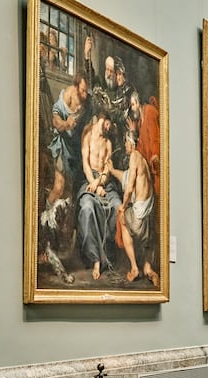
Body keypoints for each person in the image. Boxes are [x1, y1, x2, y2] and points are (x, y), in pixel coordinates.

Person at [109, 129, 158, 287]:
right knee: (147, 240)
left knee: (122, 219)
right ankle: (148, 268)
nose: (125, 145)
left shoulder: (134, 157)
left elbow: (129, 188)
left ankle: (134, 268)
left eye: (126, 142)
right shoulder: (141, 160)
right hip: (148, 214)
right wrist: (111, 171)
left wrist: (123, 207)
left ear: (131, 143)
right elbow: (126, 177)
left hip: (139, 215)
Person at [76, 111, 121, 280]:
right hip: (89, 181)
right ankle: (95, 258)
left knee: (117, 207)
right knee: (87, 208)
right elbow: (85, 163)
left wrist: (100, 182)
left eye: (110, 126)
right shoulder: (87, 133)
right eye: (107, 124)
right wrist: (94, 185)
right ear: (102, 119)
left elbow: (108, 169)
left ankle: (106, 256)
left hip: (105, 182)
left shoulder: (108, 142)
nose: (108, 128)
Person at [46, 71, 89, 206]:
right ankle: (45, 216)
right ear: (76, 88)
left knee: (70, 192)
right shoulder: (67, 96)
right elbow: (55, 121)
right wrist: (66, 124)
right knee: (59, 187)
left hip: (75, 149)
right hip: (63, 146)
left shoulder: (87, 100)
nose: (85, 95)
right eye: (82, 91)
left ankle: (61, 221)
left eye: (87, 91)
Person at [127, 90, 160, 198]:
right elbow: (141, 149)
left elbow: (155, 137)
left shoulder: (149, 112)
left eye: (133, 104)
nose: (132, 108)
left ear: (138, 103)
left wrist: (155, 154)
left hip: (156, 164)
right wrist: (132, 132)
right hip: (150, 168)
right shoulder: (140, 122)